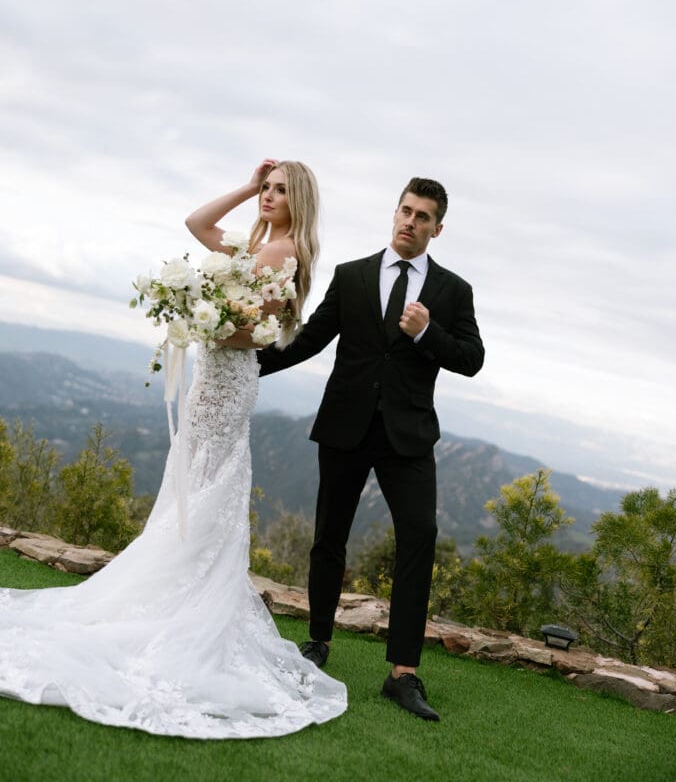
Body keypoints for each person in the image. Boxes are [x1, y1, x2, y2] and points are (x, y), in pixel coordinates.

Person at [0, 159, 347, 739]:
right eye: (266, 187)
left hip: (227, 384)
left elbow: (252, 332)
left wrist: (197, 318)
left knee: (213, 484)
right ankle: (174, 592)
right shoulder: (253, 243)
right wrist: (245, 186)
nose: (268, 196)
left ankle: (185, 602)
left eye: (279, 190)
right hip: (211, 380)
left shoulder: (282, 252)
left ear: (300, 201)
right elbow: (195, 221)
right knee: (195, 480)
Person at [258, 176, 484, 722]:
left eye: (423, 216)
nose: (410, 221)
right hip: (345, 426)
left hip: (407, 437)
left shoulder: (453, 292)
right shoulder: (353, 275)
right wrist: (245, 362)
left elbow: (472, 358)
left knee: (421, 537)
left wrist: (428, 332)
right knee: (328, 534)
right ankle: (317, 642)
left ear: (438, 228)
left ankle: (403, 673)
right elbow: (309, 339)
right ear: (395, 213)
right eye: (405, 211)